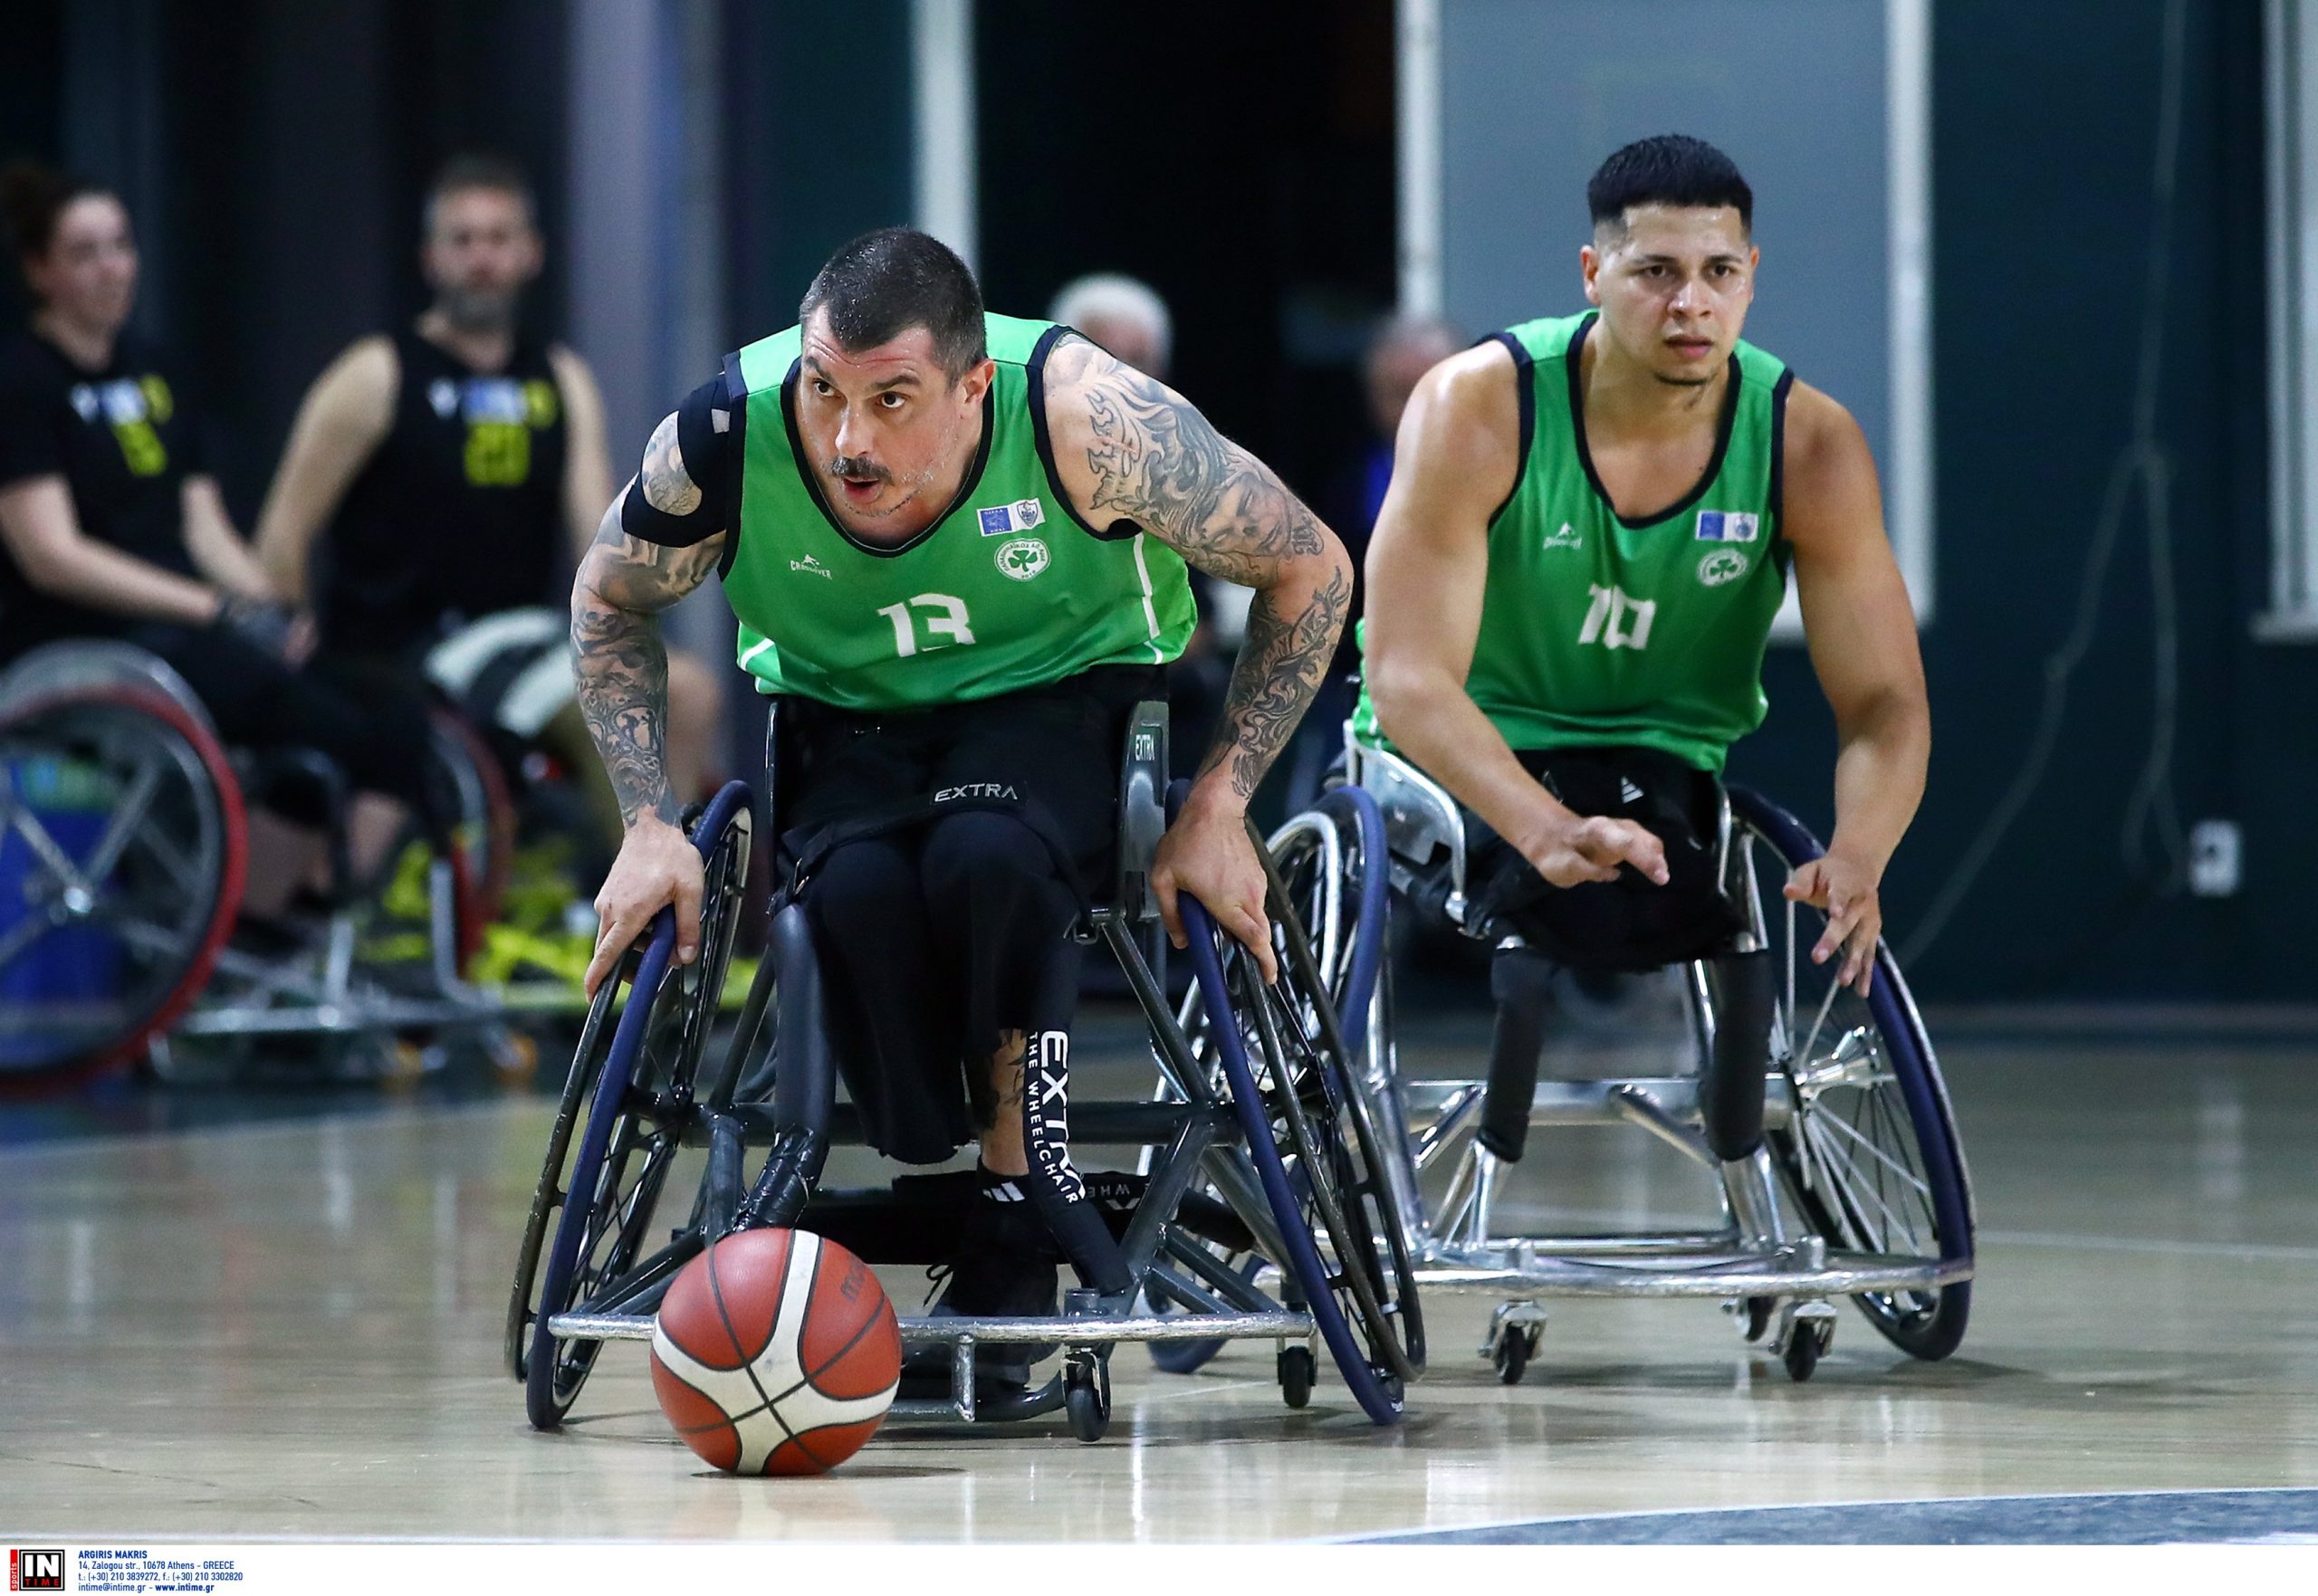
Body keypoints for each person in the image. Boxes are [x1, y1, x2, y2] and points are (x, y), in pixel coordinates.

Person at [575, 228, 1351, 1388]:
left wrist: (1221, 800)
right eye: (826, 391)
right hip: (849, 718)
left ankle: (1015, 1186)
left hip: (1062, 696)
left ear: (973, 384)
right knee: (855, 896)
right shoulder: (726, 432)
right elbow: (608, 597)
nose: (849, 439)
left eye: (892, 399)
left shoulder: (1084, 417)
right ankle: (930, 1137)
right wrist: (647, 821)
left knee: (986, 857)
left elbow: (1311, 565)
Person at [1357, 135, 1930, 1175]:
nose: (1689, 304)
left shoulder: (1806, 442)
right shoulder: (1478, 404)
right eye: (1655, 271)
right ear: (1593, 274)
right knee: (1525, 901)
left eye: (1718, 272)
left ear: (1751, 276)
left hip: (1658, 761)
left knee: (1712, 912)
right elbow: (1404, 678)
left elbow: (1886, 701)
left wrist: (1859, 853)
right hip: (1464, 752)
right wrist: (1542, 825)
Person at [253, 153, 720, 848]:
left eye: (499, 239)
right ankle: (655, 896)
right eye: (463, 240)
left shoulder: (560, 378)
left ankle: (662, 892)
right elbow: (282, 534)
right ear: (430, 258)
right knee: (650, 694)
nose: (482, 258)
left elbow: (601, 538)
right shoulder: (376, 374)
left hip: (520, 638)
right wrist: (293, 641)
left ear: (531, 254)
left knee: (688, 688)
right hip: (403, 652)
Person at [0, 160, 428, 869]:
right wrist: (212, 608)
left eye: (120, 246)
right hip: (86, 634)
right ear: (40, 271)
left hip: (185, 624)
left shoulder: (155, 367)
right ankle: (259, 908)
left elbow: (204, 525)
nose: (110, 269)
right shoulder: (22, 381)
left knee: (395, 712)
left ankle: (313, 903)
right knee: (308, 719)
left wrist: (269, 605)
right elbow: (53, 556)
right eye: (84, 253)